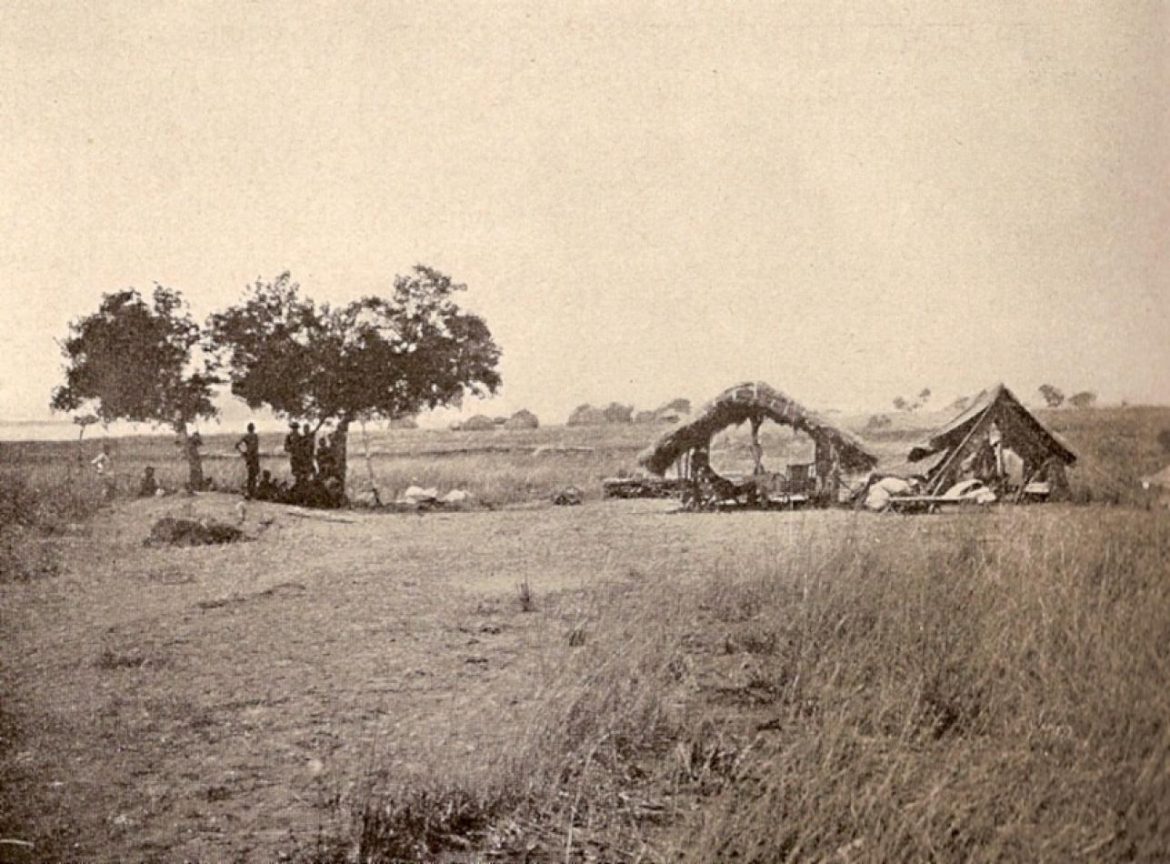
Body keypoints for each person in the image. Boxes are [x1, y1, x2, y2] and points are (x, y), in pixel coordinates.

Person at [235, 422, 261, 499]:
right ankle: (251, 492)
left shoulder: (246, 436)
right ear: (253, 428)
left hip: (250, 458)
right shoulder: (255, 436)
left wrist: (243, 453)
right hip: (254, 458)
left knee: (251, 475)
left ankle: (250, 492)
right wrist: (245, 453)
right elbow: (254, 447)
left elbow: (237, 445)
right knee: (254, 475)